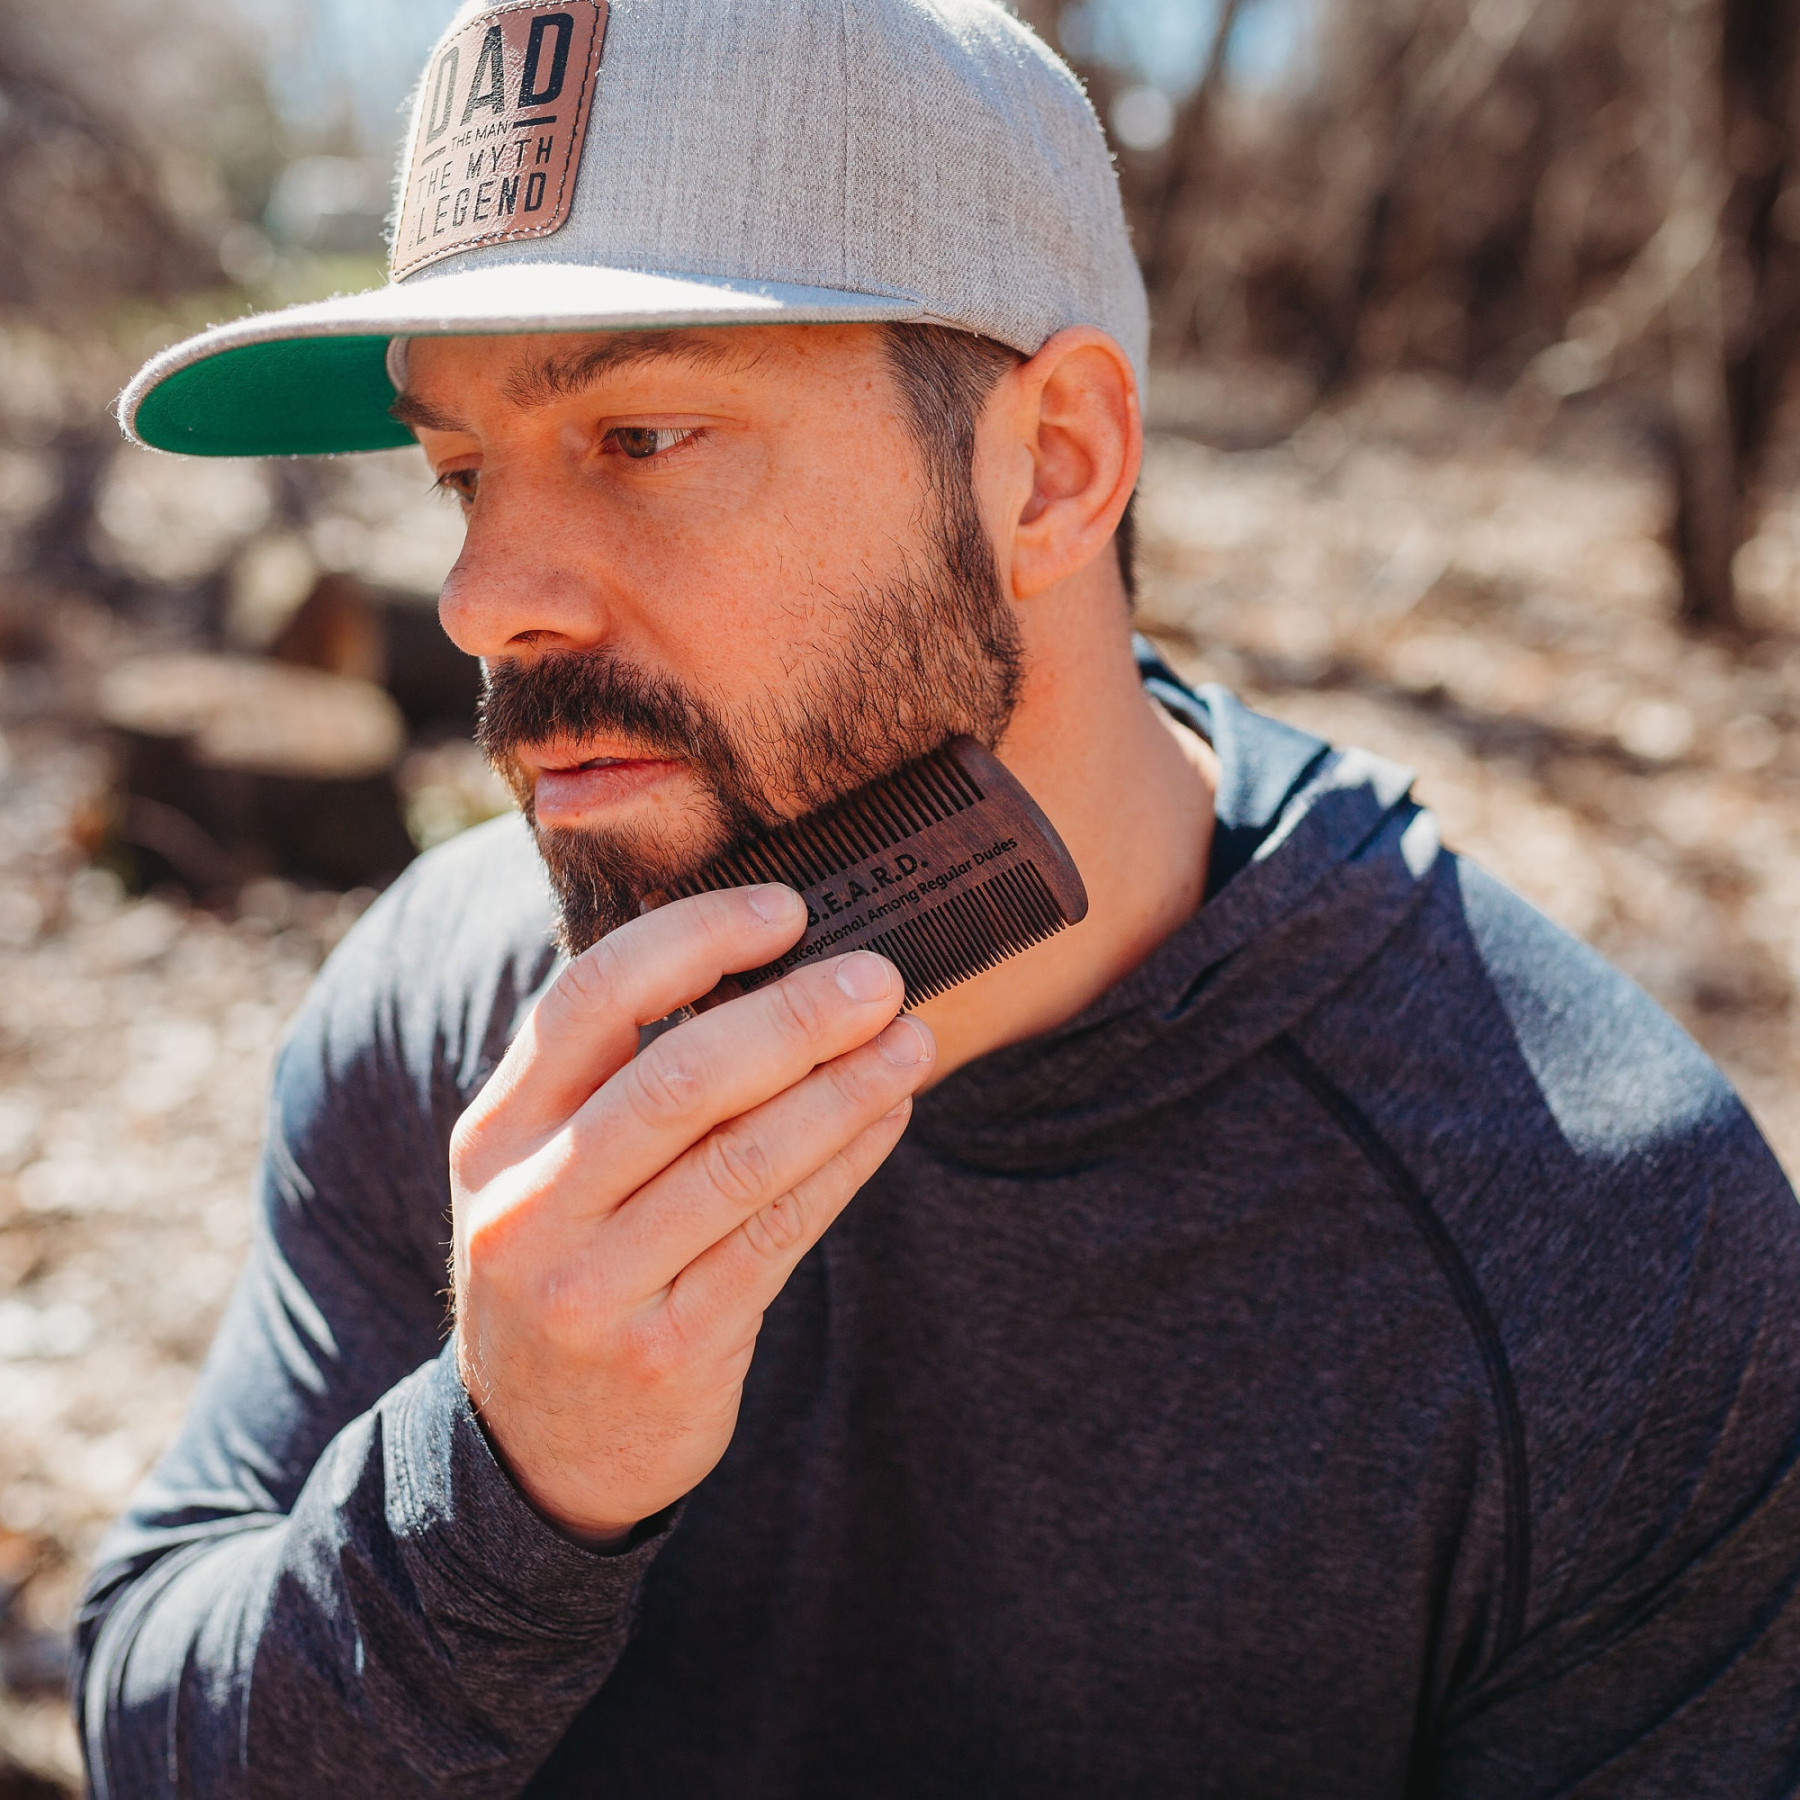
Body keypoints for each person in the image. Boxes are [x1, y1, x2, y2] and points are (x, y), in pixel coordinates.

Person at [77, 0, 1800, 1794]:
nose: (480, 596)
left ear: (1052, 465)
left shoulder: (1602, 1247)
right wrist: (501, 1493)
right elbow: (148, 1722)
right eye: (458, 471)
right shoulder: (461, 1007)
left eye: (641, 434)